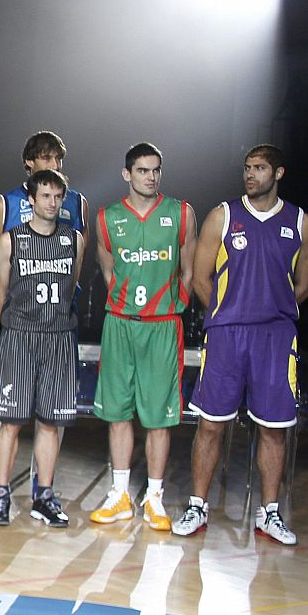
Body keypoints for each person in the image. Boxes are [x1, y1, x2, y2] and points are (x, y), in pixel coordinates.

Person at [174, 145, 308, 545]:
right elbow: (201, 279)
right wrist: (227, 313)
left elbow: (303, 285)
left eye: (259, 168)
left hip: (276, 337)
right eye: (247, 168)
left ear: (279, 172)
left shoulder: (301, 222)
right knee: (210, 423)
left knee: (274, 429)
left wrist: (272, 310)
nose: (250, 175)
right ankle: (197, 505)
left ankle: (269, 513)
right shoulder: (223, 215)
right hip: (227, 334)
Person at [90, 143, 198, 530]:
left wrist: (170, 304)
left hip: (163, 325)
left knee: (158, 418)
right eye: (142, 170)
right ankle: (119, 495)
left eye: (155, 170)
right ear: (126, 174)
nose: (150, 177)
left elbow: (189, 272)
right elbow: (108, 272)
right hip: (120, 323)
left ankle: (154, 497)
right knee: (117, 412)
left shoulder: (181, 213)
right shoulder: (107, 218)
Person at [0, 169, 84, 527]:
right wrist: (14, 326)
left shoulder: (74, 239)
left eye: (58, 197)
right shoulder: (11, 240)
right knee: (10, 422)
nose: (52, 203)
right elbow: (1, 292)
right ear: (31, 200)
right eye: (45, 196)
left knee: (50, 422)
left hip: (58, 336)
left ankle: (44, 495)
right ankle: (0, 495)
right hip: (20, 336)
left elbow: (72, 283)